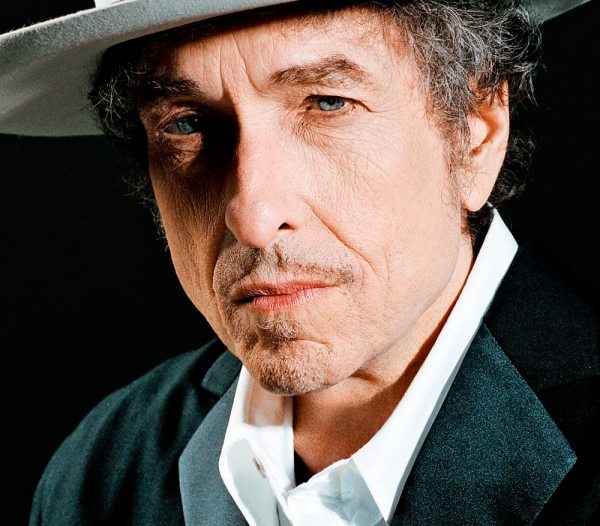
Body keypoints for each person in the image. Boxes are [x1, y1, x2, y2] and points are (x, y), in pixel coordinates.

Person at [1, 0, 597, 524]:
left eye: (328, 103)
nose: (254, 217)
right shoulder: (102, 471)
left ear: (477, 131)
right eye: (187, 124)